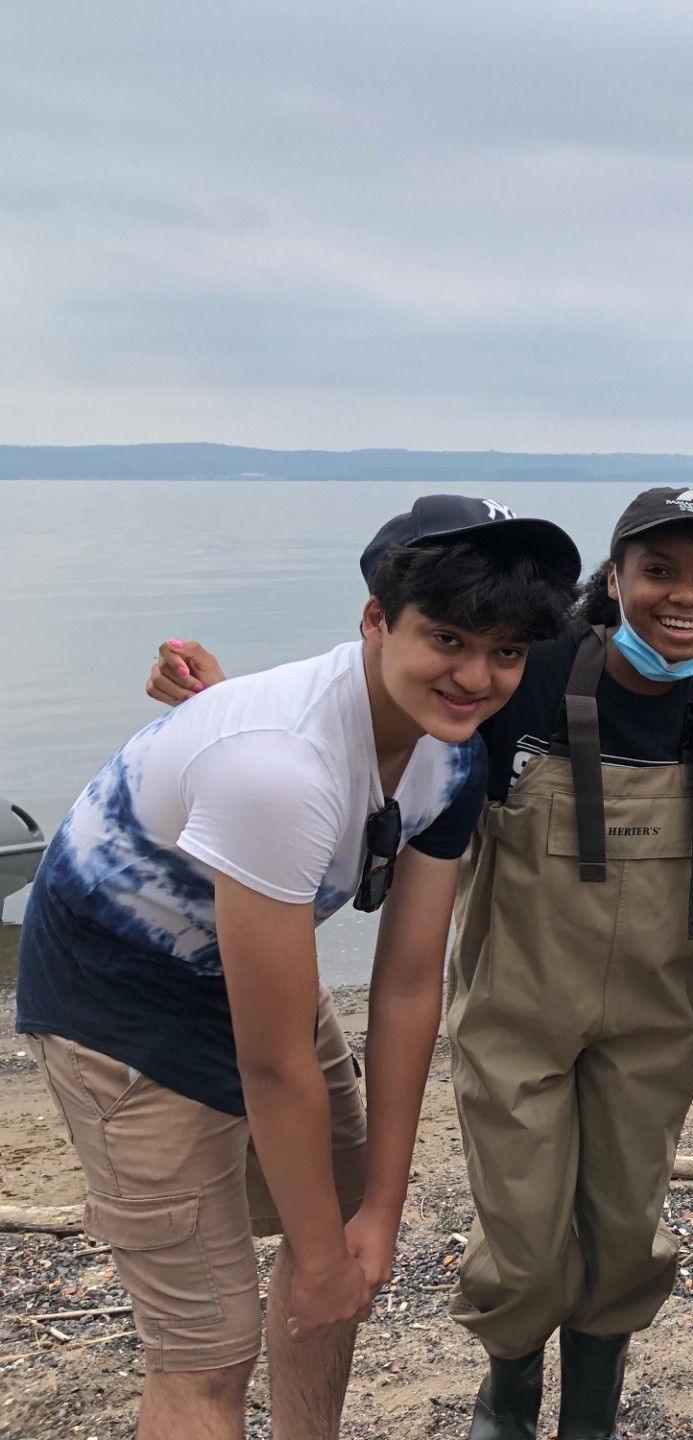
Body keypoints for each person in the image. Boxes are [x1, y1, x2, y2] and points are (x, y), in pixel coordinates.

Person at [144, 487, 693, 1440]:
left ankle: (590, 1412)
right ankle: (507, 1400)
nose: (686, 598)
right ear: (615, 577)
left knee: (629, 1225)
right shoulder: (532, 669)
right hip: (518, 1004)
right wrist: (223, 707)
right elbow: (391, 705)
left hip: (660, 1008)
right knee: (521, 1232)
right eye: (660, 570)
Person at [18, 496, 580, 1440]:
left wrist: (378, 1215)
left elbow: (406, 985)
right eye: (446, 638)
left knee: (341, 1252)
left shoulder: (449, 756)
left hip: (250, 966)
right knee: (207, 1348)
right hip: (113, 1002)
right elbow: (272, 1063)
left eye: (507, 652)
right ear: (374, 620)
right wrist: (321, 1256)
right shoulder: (278, 767)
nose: (476, 677)